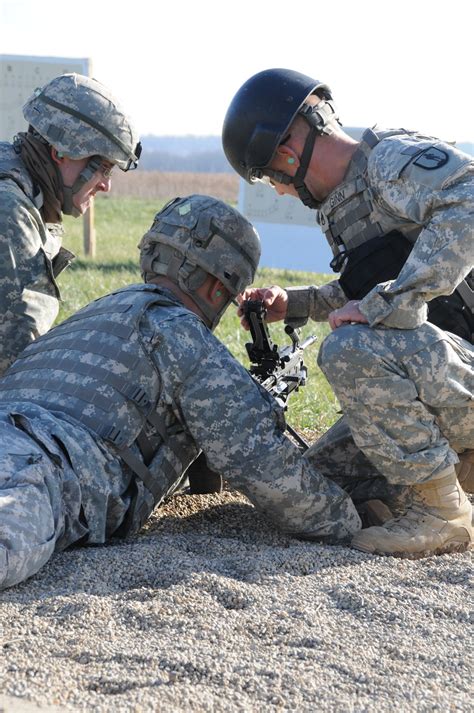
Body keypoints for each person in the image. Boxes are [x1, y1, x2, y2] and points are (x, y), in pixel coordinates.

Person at [0, 194, 361, 590]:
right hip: (40, 469)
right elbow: (269, 472)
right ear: (214, 286)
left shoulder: (95, 312)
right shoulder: (179, 333)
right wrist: (348, 519)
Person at [222, 68, 474, 558]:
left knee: (350, 348)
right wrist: (293, 303)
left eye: (272, 176)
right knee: (318, 483)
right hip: (446, 378)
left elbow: (470, 197)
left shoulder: (389, 161)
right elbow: (365, 292)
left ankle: (444, 514)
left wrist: (393, 303)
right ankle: (457, 473)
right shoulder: (345, 203)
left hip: (458, 372)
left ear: (288, 152)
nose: (278, 190)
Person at [0, 72, 141, 375]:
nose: (106, 186)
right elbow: (15, 365)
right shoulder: (11, 212)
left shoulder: (16, 184)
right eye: (103, 168)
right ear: (60, 153)